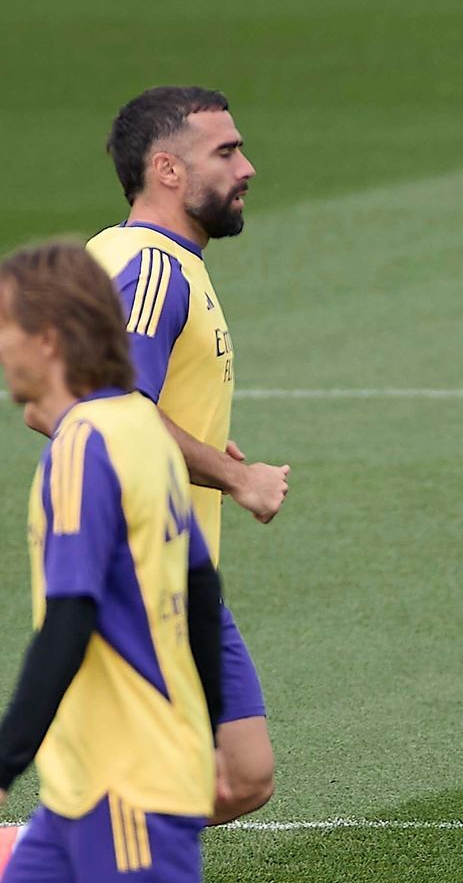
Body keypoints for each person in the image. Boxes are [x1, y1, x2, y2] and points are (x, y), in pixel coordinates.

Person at [78, 87, 288, 824]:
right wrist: (238, 476)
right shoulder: (151, 267)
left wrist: (197, 452)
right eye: (225, 152)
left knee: (240, 774)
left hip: (170, 562)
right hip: (135, 560)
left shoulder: (150, 260)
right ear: (167, 170)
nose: (247, 167)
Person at [0, 241, 225, 882]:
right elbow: (201, 591)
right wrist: (200, 734)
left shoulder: (81, 446)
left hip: (125, 789)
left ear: (47, 341)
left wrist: (3, 763)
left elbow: (70, 617)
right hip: (83, 793)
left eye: (5, 327)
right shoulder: (141, 428)